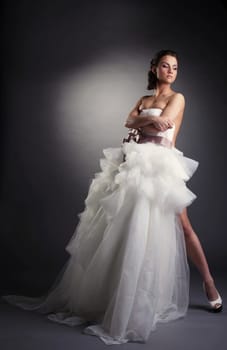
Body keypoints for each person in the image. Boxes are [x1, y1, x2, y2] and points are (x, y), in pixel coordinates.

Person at [2, 49, 222, 345]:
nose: (170, 71)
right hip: (132, 163)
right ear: (154, 68)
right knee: (126, 224)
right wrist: (144, 122)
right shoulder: (144, 100)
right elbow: (129, 123)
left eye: (175, 68)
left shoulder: (177, 98)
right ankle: (123, 299)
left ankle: (208, 283)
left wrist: (139, 122)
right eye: (165, 66)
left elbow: (163, 123)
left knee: (183, 226)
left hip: (159, 163)